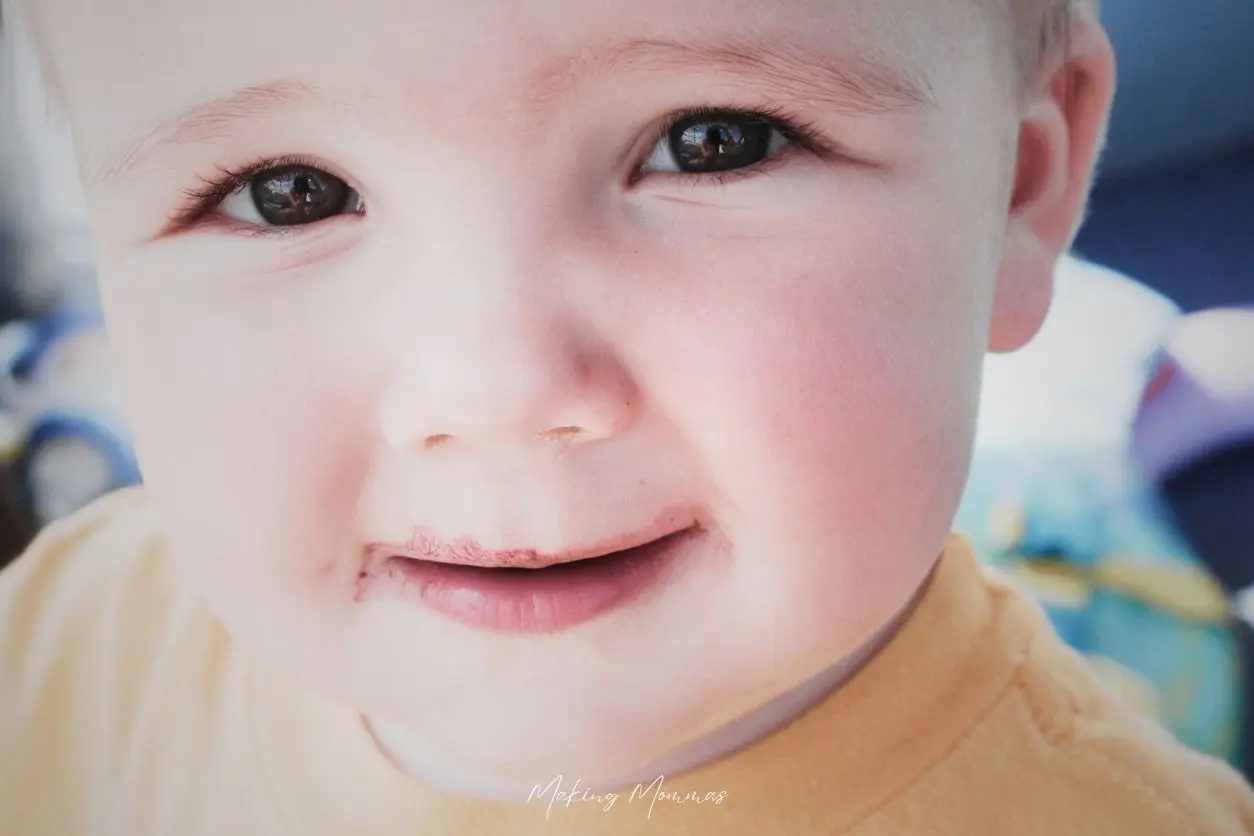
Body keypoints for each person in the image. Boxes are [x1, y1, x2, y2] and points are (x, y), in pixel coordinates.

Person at [1, 0, 1251, 833]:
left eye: (714, 143)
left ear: (1023, 189)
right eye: (285, 195)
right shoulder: (56, 651)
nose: (497, 391)